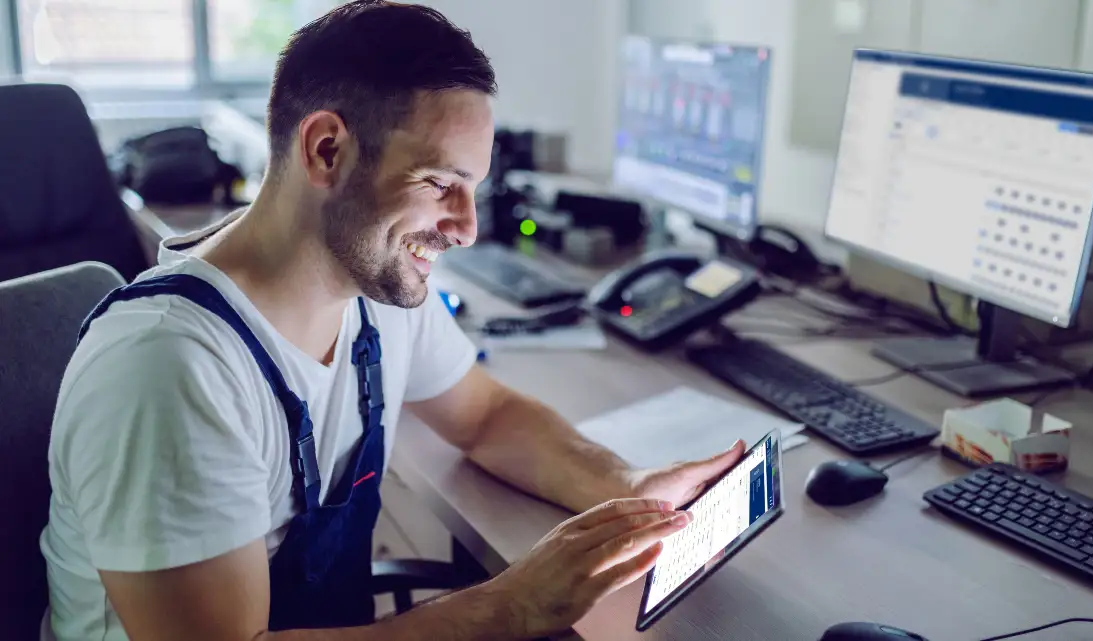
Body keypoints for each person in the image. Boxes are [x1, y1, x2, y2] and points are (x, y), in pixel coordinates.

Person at [39, 3, 746, 640]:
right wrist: (509, 605)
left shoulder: (375, 290)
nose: (466, 228)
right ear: (327, 150)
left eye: (474, 190)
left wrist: (628, 489)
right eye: (442, 184)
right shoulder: (170, 368)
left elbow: (486, 414)